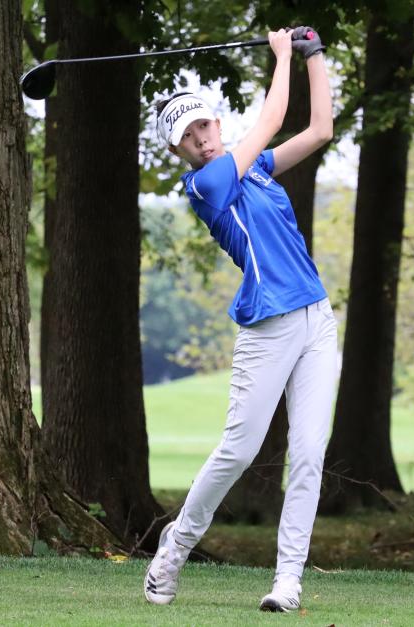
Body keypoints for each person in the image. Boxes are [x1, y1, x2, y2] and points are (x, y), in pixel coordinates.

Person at [144, 26, 337, 613]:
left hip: (316, 320)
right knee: (239, 451)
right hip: (267, 330)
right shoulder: (207, 184)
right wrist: (282, 56)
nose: (201, 139)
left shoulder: (254, 170)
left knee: (308, 454)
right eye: (188, 136)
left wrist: (314, 57)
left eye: (204, 126)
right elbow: (272, 119)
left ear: (216, 124)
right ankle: (173, 550)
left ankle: (287, 583)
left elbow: (321, 129)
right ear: (178, 150)